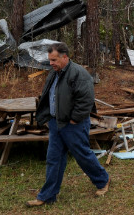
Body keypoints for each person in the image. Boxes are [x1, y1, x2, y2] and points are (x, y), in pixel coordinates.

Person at [26, 42, 109, 207]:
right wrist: (49, 118)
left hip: (74, 124)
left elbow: (86, 100)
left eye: (54, 60)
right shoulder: (54, 73)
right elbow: (49, 96)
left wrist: (74, 120)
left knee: (82, 155)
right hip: (56, 123)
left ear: (65, 57)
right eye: (50, 60)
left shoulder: (79, 73)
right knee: (53, 159)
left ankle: (103, 180)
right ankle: (48, 196)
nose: (51, 63)